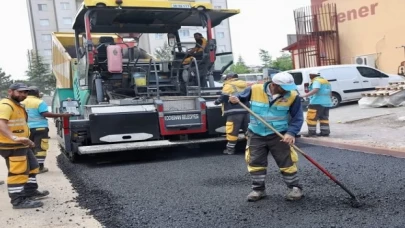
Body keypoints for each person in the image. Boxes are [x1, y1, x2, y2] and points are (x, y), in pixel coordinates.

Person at [228, 72, 304, 202]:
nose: (287, 91)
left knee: (286, 162)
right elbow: (238, 98)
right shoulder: (255, 89)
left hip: (279, 134)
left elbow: (297, 117)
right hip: (256, 133)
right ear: (274, 85)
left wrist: (291, 133)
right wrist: (233, 99)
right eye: (284, 88)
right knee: (255, 162)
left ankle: (295, 188)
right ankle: (258, 190)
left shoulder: (293, 96)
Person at [0, 83, 49, 209]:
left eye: (25, 92)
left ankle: (30, 192)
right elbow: (1, 123)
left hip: (21, 143)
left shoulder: (18, 105)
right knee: (18, 172)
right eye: (20, 92)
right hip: (11, 145)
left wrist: (26, 140)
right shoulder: (6, 105)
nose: (23, 94)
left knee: (33, 167)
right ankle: (18, 200)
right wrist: (14, 137)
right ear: (10, 91)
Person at [21, 86, 72, 173]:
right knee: (40, 148)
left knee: (29, 148)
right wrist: (63, 115)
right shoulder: (39, 102)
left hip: (26, 129)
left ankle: (29, 167)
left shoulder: (21, 102)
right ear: (37, 93)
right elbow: (45, 114)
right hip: (40, 128)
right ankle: (40, 168)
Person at [214, 73, 249, 155]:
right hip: (246, 110)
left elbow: (223, 97)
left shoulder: (228, 85)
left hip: (233, 112)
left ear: (229, 78)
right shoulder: (244, 85)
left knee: (232, 131)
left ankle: (230, 149)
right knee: (248, 131)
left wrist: (216, 102)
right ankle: (252, 148)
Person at [300, 71, 332, 137]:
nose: (309, 76)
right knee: (324, 118)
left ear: (313, 75)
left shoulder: (316, 81)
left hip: (316, 102)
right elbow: (330, 92)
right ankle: (325, 132)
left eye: (310, 75)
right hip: (326, 103)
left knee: (311, 118)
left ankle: (311, 133)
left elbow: (316, 89)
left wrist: (305, 95)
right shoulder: (325, 81)